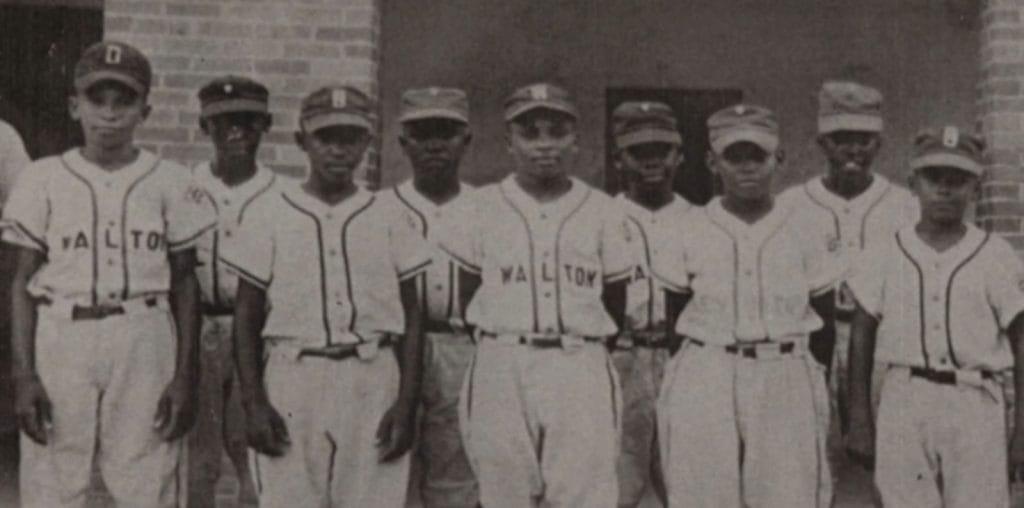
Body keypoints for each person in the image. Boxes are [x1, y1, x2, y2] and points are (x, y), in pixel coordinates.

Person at [3, 40, 214, 507]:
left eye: (125, 101)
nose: (110, 114)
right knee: (52, 481)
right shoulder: (42, 178)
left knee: (148, 481)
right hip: (62, 331)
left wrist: (185, 375)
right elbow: (20, 282)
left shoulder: (170, 181)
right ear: (74, 106)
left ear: (146, 110)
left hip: (143, 331)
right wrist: (22, 375)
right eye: (97, 99)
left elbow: (184, 282)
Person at [222, 84, 431, 507]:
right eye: (326, 138)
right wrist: (254, 402)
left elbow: (413, 315)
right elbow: (246, 315)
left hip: (372, 375)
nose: (339, 150)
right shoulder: (269, 212)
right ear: (302, 141)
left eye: (350, 138)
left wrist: (406, 405)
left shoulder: (391, 214)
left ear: (368, 143)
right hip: (293, 374)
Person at [439, 82, 635, 507]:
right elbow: (468, 291)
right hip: (502, 359)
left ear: (576, 139)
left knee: (585, 492)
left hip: (579, 361)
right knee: (503, 491)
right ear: (509, 141)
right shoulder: (479, 206)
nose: (544, 145)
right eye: (530, 132)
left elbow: (614, 299)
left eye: (557, 131)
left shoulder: (603, 209)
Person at [656, 104, 835, 508]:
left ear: (779, 159)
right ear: (711, 162)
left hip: (785, 369)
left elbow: (823, 323)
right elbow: (675, 315)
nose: (747, 167)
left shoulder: (806, 226)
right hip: (707, 368)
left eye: (757, 155)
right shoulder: (687, 226)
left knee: (789, 495)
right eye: (734, 156)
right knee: (701, 494)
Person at [846, 126, 1024, 507]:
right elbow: (861, 332)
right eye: (933, 178)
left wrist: (1022, 429)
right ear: (913, 183)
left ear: (976, 188)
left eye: (957, 180)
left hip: (975, 397)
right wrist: (859, 416)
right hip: (905, 394)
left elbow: (1021, 339)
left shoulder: (995, 254)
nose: (945, 189)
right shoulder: (885, 250)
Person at [781, 80, 918, 443]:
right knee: (810, 451)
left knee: (883, 451)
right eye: (841, 138)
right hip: (811, 338)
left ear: (880, 143)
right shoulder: (791, 204)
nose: (853, 148)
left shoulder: (905, 204)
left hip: (884, 341)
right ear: (822, 142)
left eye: (864, 138)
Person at [388, 86, 479, 507]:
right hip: (392, 348)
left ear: (467, 138)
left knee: (456, 473)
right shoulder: (380, 207)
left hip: (462, 344)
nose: (435, 144)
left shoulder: (488, 207)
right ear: (403, 140)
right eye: (423, 133)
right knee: (389, 468)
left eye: (446, 132)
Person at [187, 75, 275, 507]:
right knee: (198, 458)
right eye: (223, 123)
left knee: (254, 452)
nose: (236, 132)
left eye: (247, 121)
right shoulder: (184, 188)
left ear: (266, 126)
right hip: (198, 324)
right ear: (205, 127)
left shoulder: (283, 194)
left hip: (257, 335)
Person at [608, 100, 693, 508]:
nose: (652, 161)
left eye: (661, 150)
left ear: (680, 155)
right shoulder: (600, 215)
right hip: (622, 354)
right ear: (619, 158)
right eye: (639, 152)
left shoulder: (702, 219)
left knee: (688, 483)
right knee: (619, 485)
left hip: (685, 357)